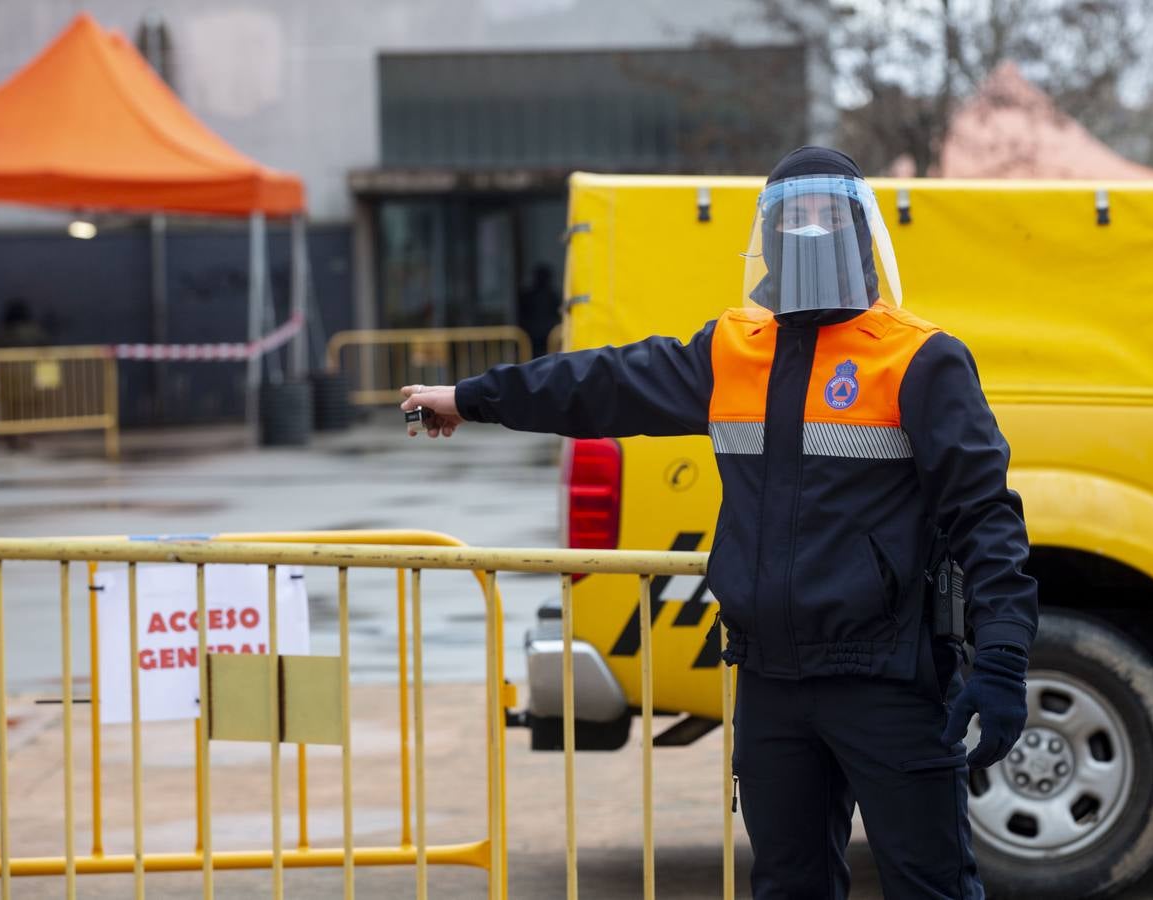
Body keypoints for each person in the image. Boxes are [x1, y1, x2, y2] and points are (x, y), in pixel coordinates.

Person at [400, 146, 1038, 899]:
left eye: (825, 215)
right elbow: (599, 383)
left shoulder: (919, 360)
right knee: (786, 887)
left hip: (889, 681)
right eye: (790, 217)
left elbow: (985, 517)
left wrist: (999, 660)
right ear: (765, 237)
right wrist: (470, 397)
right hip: (769, 683)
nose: (807, 231)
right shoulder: (732, 350)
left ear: (859, 233)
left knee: (928, 887)